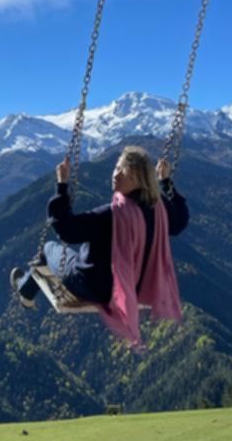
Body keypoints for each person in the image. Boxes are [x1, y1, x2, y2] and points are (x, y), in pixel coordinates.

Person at [10, 146, 189, 346]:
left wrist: (61, 185)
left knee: (49, 248)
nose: (115, 175)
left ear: (138, 179)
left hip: (91, 286)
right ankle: (26, 289)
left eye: (124, 171)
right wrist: (166, 182)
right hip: (133, 285)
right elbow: (180, 221)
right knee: (73, 254)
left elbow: (67, 230)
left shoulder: (113, 215)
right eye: (116, 168)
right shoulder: (159, 211)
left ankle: (25, 289)